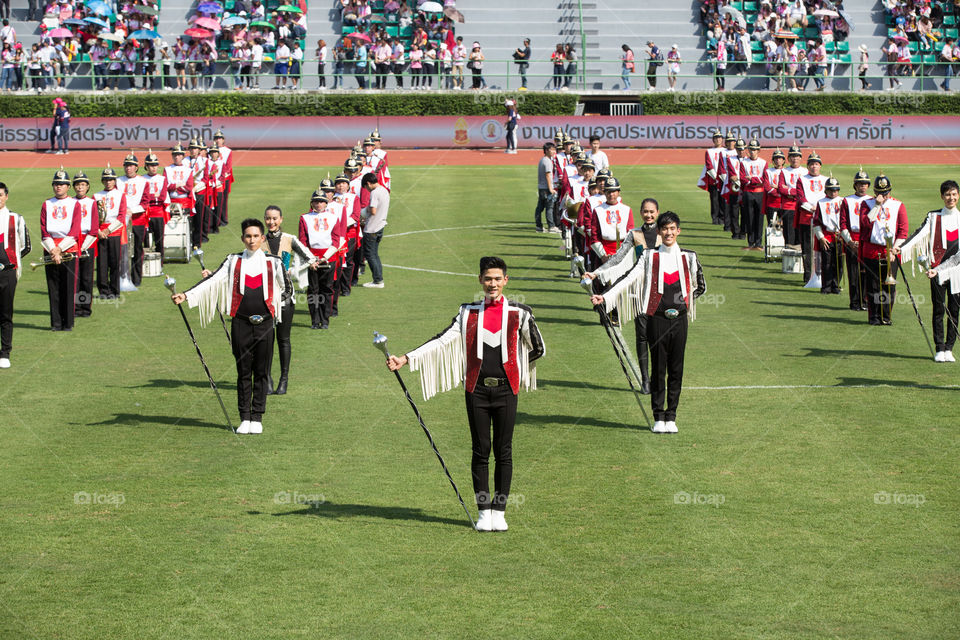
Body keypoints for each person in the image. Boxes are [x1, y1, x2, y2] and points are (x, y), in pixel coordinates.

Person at [386, 256, 545, 531]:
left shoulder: (519, 313)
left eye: (497, 279)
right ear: (480, 280)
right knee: (481, 450)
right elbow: (442, 339)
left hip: (507, 390)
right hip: (477, 390)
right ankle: (484, 510)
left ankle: (500, 511)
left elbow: (538, 347)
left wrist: (516, 368)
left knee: (504, 451)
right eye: (487, 279)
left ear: (506, 280)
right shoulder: (467, 312)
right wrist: (406, 358)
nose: (492, 283)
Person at [172, 218, 290, 434]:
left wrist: (274, 309)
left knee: (261, 371)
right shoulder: (233, 260)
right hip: (240, 323)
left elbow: (287, 290)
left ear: (262, 238)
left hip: (264, 323)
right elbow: (213, 281)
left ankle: (257, 416)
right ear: (243, 238)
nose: (252, 240)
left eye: (256, 236)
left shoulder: (273, 262)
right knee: (243, 371)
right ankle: (244, 417)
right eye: (248, 236)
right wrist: (186, 296)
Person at [590, 211, 705, 434]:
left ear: (678, 231)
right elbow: (629, 278)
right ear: (660, 233)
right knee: (658, 367)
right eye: (665, 229)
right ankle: (658, 416)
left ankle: (671, 415)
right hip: (656, 319)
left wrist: (684, 303)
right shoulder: (649, 257)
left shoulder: (689, 257)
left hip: (679, 320)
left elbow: (700, 286)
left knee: (677, 368)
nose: (669, 232)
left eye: (673, 229)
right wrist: (605, 296)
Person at [584, 197, 662, 394]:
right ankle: (645, 379)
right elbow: (618, 259)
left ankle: (657, 378)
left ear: (657, 213)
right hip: (638, 290)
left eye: (652, 211)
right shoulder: (634, 234)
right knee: (642, 336)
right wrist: (596, 272)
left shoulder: (665, 232)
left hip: (660, 291)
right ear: (641, 213)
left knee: (658, 337)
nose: (649, 215)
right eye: (645, 211)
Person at [901, 180, 960, 360]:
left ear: (958, 195)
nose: (951, 198)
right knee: (939, 309)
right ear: (942, 196)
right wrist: (901, 249)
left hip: (957, 271)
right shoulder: (934, 217)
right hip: (935, 270)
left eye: (954, 194)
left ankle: (950, 347)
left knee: (955, 310)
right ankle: (939, 347)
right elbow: (918, 234)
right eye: (947, 194)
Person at [264, 204, 316, 391]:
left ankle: (283, 380)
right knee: (266, 340)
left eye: (275, 218)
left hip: (285, 295)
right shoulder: (258, 240)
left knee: (283, 339)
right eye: (268, 218)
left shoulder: (289, 239)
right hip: (264, 297)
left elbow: (310, 257)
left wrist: (293, 271)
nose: (271, 222)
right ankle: (267, 379)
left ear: (281, 219)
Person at [858, 174, 908, 326]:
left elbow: (903, 230)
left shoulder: (898, 205)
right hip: (872, 250)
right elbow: (865, 223)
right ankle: (874, 317)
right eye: (880, 193)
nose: (883, 196)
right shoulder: (867, 204)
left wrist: (895, 249)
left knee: (889, 287)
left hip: (891, 252)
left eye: (886, 193)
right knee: (872, 286)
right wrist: (877, 206)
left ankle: (886, 315)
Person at [40, 168, 80, 332]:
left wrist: (60, 249)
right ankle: (56, 323)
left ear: (68, 186)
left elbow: (75, 230)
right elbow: (44, 229)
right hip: (50, 248)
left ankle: (68, 323)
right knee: (53, 286)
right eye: (56, 184)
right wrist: (53, 250)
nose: (59, 187)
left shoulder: (74, 204)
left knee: (68, 287)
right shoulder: (47, 204)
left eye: (62, 184)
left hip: (68, 248)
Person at [299, 188, 340, 329]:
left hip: (329, 257)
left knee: (327, 289)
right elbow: (302, 242)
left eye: (321, 201)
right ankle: (315, 320)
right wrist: (311, 260)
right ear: (312, 203)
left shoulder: (334, 217)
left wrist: (324, 258)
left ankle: (325, 320)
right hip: (312, 259)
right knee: (313, 290)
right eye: (316, 201)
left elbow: (336, 241)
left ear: (326, 203)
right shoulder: (304, 218)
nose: (318, 204)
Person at [0, 181, 31, 369]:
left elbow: (26, 246)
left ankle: (5, 352)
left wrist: (10, 262)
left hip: (8, 273)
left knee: (5, 312)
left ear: (6, 196)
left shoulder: (16, 218)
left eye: (0, 195)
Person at [839, 169, 871, 311]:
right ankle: (854, 302)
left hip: (867, 241)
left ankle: (865, 301)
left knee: (866, 273)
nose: (862, 186)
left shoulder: (872, 201)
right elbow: (843, 223)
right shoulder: (847, 200)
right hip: (852, 239)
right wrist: (850, 242)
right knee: (853, 273)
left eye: (864, 184)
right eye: (859, 184)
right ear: (855, 185)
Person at [93, 164, 126, 300]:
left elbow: (121, 216)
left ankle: (114, 290)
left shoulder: (120, 195)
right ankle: (103, 290)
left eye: (111, 180)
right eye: (106, 180)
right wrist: (99, 231)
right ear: (102, 181)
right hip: (100, 233)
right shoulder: (96, 196)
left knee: (114, 263)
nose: (108, 182)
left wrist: (108, 230)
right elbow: (93, 216)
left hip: (114, 232)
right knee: (101, 263)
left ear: (115, 181)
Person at [586, 177, 633, 267]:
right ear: (604, 193)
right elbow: (594, 236)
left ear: (618, 192)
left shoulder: (626, 209)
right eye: (608, 192)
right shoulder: (598, 210)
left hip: (623, 251)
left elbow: (630, 234)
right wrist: (603, 256)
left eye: (614, 191)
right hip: (604, 252)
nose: (611, 194)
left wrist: (623, 253)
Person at [796, 151, 826, 283]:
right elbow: (800, 197)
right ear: (808, 166)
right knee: (807, 248)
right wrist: (811, 207)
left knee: (823, 247)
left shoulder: (826, 180)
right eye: (812, 164)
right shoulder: (802, 179)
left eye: (816, 164)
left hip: (822, 219)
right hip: (807, 217)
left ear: (820, 166)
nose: (814, 166)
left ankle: (822, 275)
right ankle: (808, 276)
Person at [118, 153, 148, 286]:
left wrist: (132, 210)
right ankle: (121, 277)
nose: (128, 168)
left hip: (137, 219)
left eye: (131, 166)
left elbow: (146, 202)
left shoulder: (143, 181)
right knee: (121, 250)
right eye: (126, 166)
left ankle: (136, 278)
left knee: (136, 249)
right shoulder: (118, 181)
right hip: (121, 221)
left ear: (136, 167)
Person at [812, 176, 844, 294]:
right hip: (827, 236)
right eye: (831, 190)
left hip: (840, 236)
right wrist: (821, 237)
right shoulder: (821, 202)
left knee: (838, 263)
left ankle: (836, 285)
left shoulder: (842, 201)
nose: (833, 192)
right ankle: (826, 286)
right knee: (826, 263)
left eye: (835, 190)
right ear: (826, 191)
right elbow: (816, 222)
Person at [72, 171, 97, 318]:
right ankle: (75, 307)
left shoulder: (91, 202)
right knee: (74, 276)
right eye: (77, 185)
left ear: (87, 187)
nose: (80, 188)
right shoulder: (70, 202)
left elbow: (94, 227)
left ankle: (85, 308)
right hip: (73, 242)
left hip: (88, 240)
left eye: (83, 185)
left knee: (86, 278)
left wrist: (85, 245)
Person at [140, 150, 170, 259]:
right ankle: (146, 261)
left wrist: (149, 197)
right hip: (145, 213)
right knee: (145, 239)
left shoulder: (162, 179)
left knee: (159, 239)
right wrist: (154, 196)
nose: (153, 167)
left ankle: (160, 261)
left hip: (158, 213)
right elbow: (142, 197)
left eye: (155, 165)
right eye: (151, 165)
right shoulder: (142, 179)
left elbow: (162, 197)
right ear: (146, 166)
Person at [361, 172, 388, 288]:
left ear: (368, 183)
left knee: (370, 255)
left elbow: (373, 211)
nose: (366, 190)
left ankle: (377, 280)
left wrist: (364, 213)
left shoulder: (375, 193)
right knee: (375, 254)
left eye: (366, 187)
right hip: (380, 225)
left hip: (372, 228)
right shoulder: (384, 190)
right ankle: (378, 279)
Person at [778, 144, 807, 248]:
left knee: (800, 233)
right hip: (788, 207)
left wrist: (789, 190)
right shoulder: (784, 171)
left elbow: (806, 191)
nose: (795, 158)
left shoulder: (805, 172)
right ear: (789, 158)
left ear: (800, 158)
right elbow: (781, 189)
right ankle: (788, 258)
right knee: (788, 233)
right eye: (792, 156)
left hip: (802, 207)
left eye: (797, 156)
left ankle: (800, 259)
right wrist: (798, 193)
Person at [698, 128, 725, 225]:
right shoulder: (709, 151)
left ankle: (723, 217)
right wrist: (715, 176)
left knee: (723, 199)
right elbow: (709, 164)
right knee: (714, 199)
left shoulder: (726, 150)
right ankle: (715, 218)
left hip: (724, 179)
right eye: (716, 138)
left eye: (720, 138)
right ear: (713, 140)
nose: (718, 140)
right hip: (713, 178)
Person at [534, 142, 558, 233]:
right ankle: (551, 226)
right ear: (547, 150)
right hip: (546, 188)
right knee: (549, 207)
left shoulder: (542, 160)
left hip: (541, 187)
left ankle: (539, 226)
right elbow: (548, 175)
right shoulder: (547, 161)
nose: (554, 151)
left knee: (540, 207)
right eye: (552, 149)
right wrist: (551, 189)